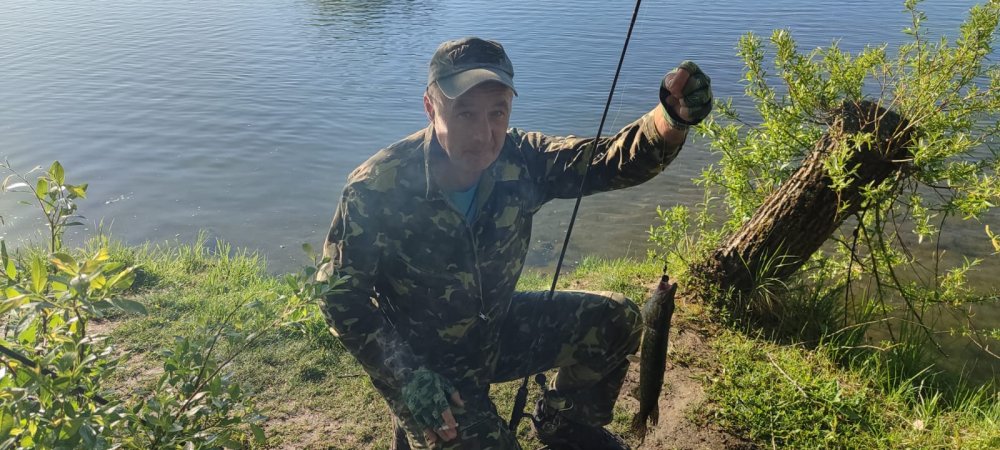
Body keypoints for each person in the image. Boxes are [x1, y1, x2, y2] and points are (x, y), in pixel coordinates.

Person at [318, 37, 712, 450]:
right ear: (431, 108)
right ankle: (417, 424)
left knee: (618, 320)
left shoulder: (522, 158)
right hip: (430, 369)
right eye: (465, 113)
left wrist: (672, 118)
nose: (483, 134)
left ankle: (565, 423)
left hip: (498, 329)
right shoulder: (376, 187)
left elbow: (609, 161)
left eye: (497, 112)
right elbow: (338, 296)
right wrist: (406, 377)